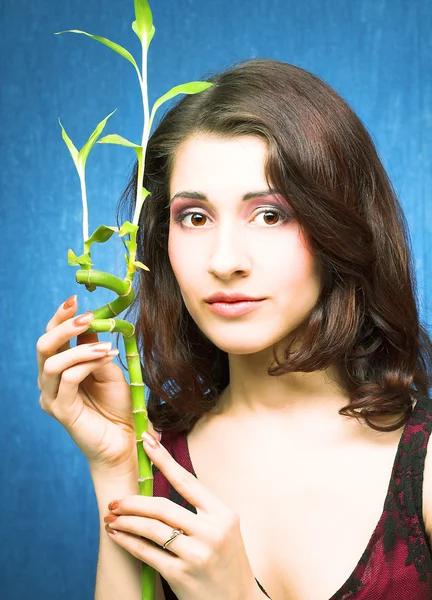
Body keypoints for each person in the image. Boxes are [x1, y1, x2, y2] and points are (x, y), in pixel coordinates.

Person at [36, 58, 432, 600]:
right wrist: (118, 471)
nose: (225, 261)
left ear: (343, 225)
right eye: (194, 217)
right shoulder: (161, 462)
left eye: (270, 214)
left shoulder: (422, 463)